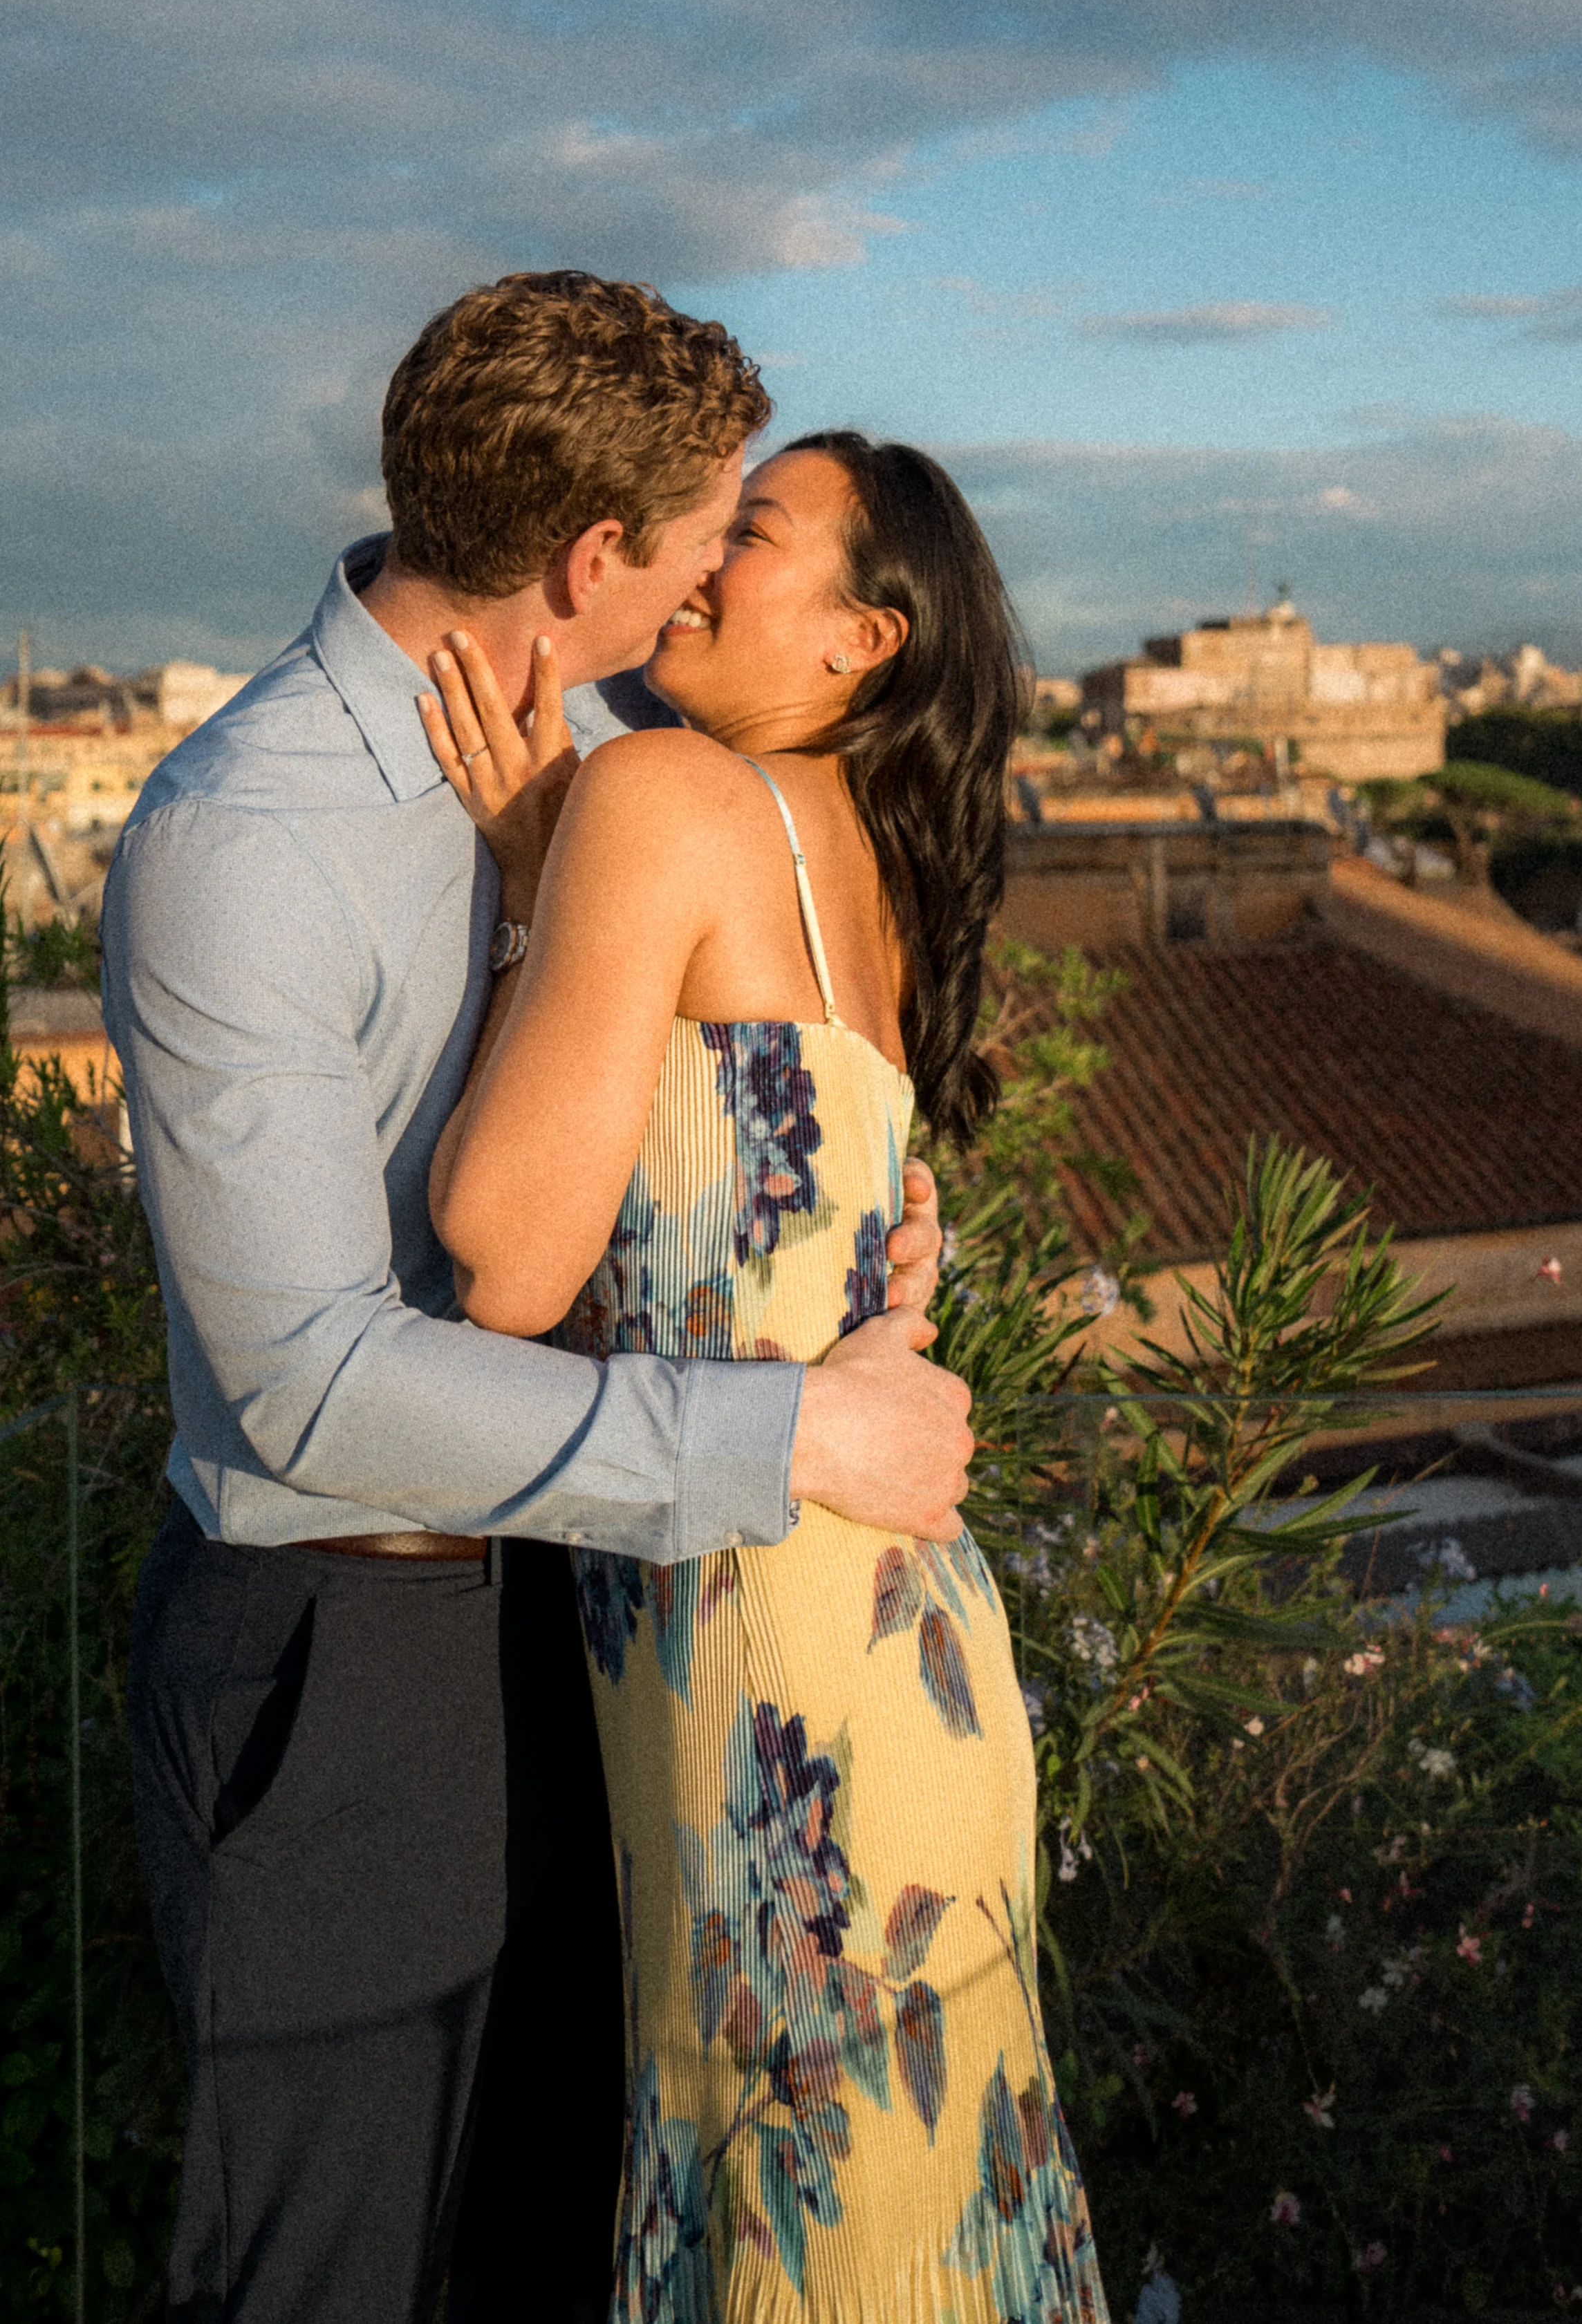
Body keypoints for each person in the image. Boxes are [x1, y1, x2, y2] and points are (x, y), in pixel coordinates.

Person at [102, 274, 974, 2324]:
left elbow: (689, 1131)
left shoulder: (613, 773)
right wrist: (785, 1433)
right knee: (330, 2271)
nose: (710, 569)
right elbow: (305, 1380)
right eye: (708, 528)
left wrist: (847, 1241)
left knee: (553, 2244)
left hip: (600, 1624)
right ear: (598, 557)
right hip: (348, 1650)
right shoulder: (241, 837)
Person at [425, 431, 1110, 2320]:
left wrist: (539, 886)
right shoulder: (856, 867)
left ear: (860, 641)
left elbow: (501, 1254)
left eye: (754, 533)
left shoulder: (657, 793)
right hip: (902, 1667)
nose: (700, 558)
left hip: (772, 1679)